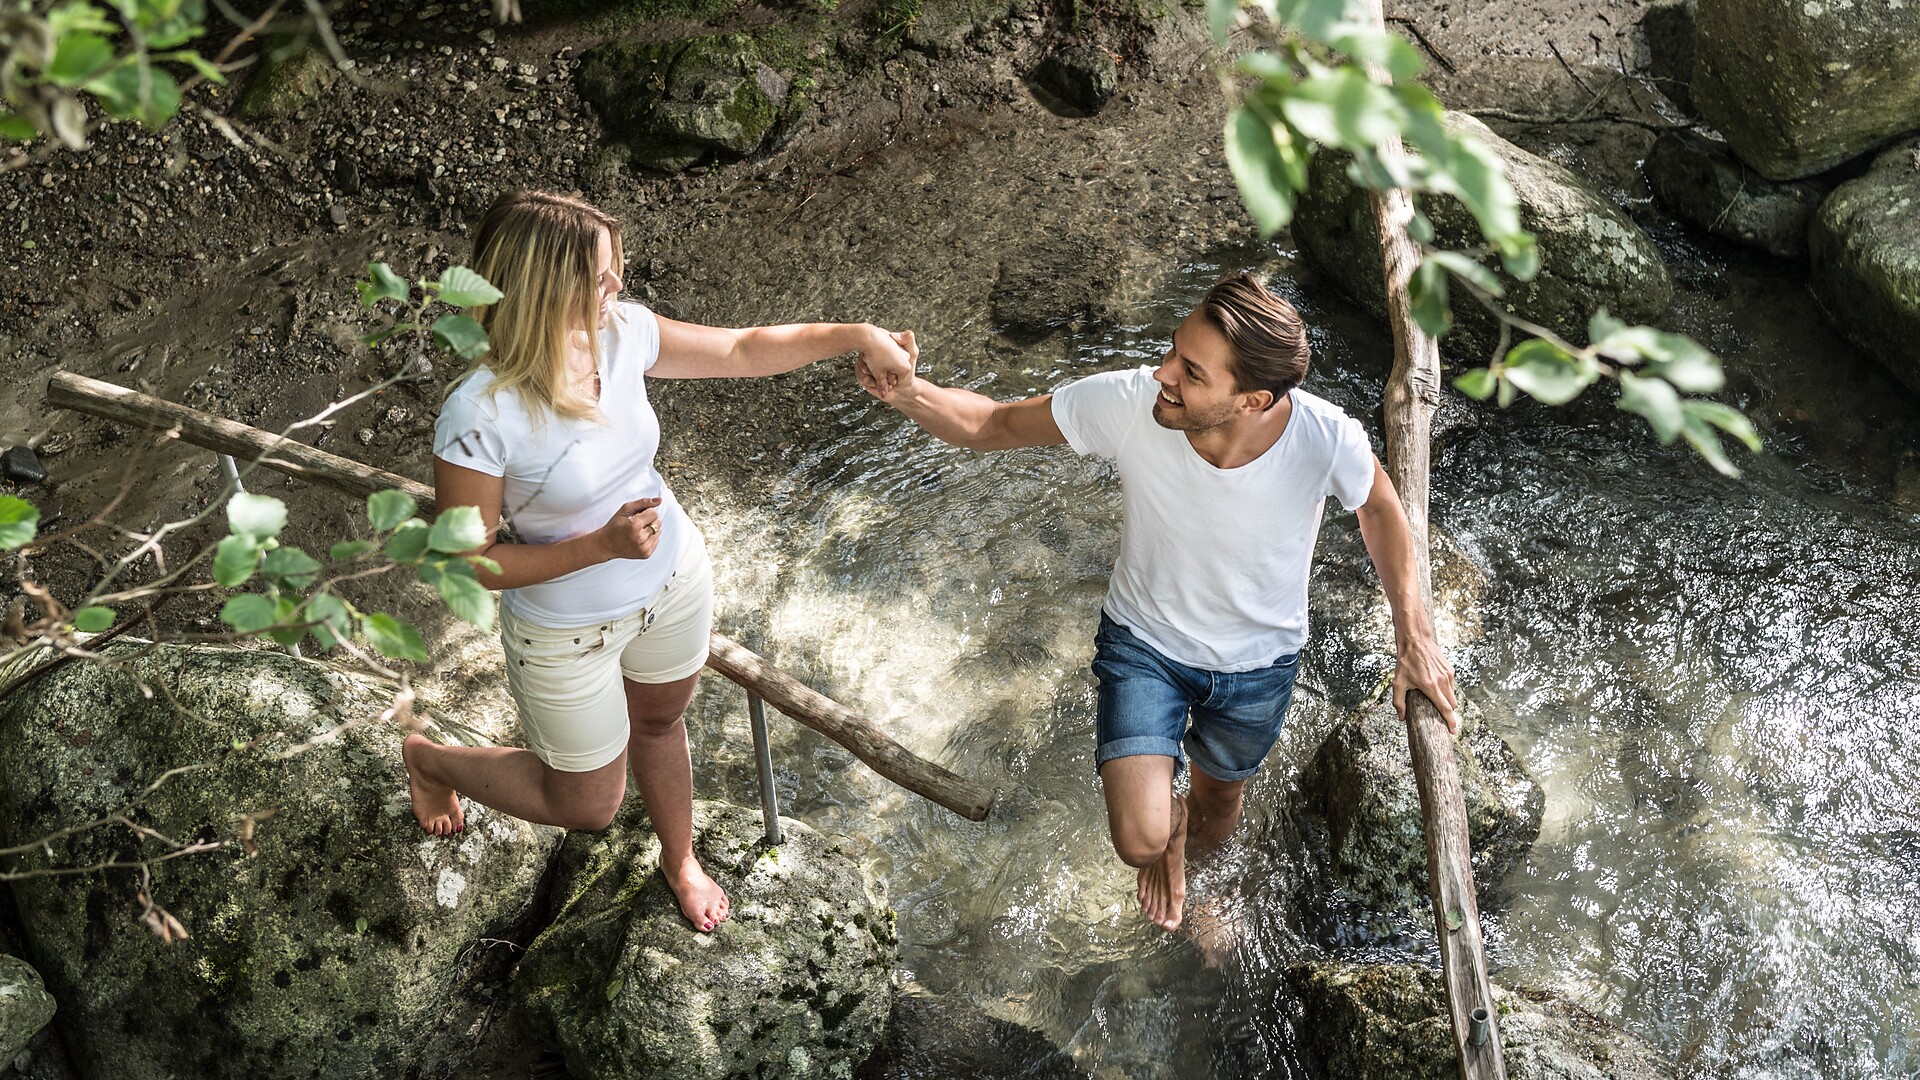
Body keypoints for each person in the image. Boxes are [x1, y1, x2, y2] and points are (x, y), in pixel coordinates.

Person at [862, 272, 1458, 932]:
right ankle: (1165, 833)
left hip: (1259, 665)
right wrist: (907, 390)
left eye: (1191, 372)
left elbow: (1379, 508)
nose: (1163, 374)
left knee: (1218, 807)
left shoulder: (1324, 439)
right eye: (1174, 350)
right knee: (1139, 839)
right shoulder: (1131, 403)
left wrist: (1414, 639)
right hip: (1145, 645)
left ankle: (1198, 881)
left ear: (1252, 400)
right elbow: (993, 424)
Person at [403, 189, 914, 933]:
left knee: (662, 722)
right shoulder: (479, 412)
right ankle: (431, 760)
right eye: (599, 276)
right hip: (566, 633)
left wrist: (858, 336)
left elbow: (743, 350)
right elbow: (467, 565)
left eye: (616, 268)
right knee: (588, 804)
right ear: (543, 287)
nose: (618, 285)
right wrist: (597, 548)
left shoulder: (620, 333)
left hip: (673, 584)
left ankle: (682, 860)